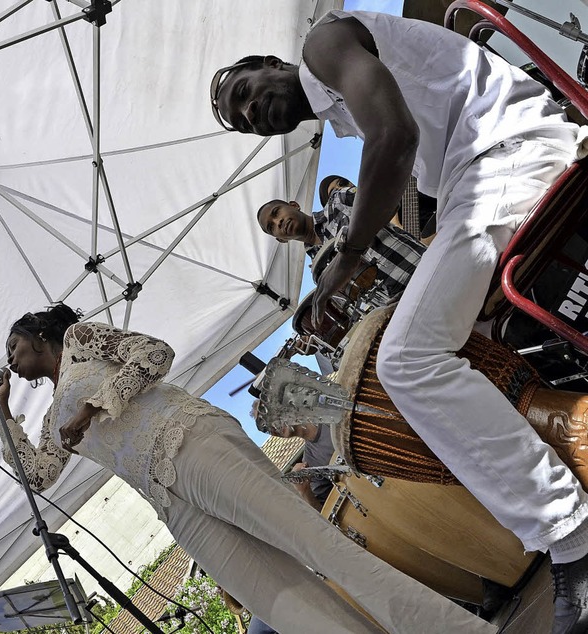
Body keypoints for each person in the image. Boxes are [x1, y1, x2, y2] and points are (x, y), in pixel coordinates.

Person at [210, 10, 588, 633]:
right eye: (244, 120)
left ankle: (570, 535)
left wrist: (347, 257)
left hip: (505, 154)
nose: (252, 112)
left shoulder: (323, 42)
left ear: (273, 65)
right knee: (471, 348)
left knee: (406, 360)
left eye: (246, 93)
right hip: (487, 169)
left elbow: (395, 135)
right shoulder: (337, 109)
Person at [0, 304, 495, 634]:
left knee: (315, 546)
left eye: (13, 347)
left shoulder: (80, 340)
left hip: (189, 440)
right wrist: (3, 414)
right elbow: (39, 475)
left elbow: (154, 353)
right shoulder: (54, 417)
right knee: (281, 604)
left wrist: (96, 405)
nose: (10, 360)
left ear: (37, 335)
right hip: (168, 499)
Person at [257, 184, 426, 307]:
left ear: (294, 205)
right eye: (271, 227)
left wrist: (349, 247)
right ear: (281, 240)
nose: (278, 222)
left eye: (276, 212)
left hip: (424, 269)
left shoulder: (339, 200)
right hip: (404, 307)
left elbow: (389, 203)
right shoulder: (319, 273)